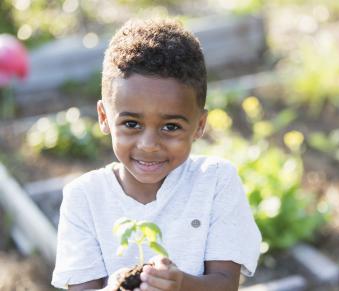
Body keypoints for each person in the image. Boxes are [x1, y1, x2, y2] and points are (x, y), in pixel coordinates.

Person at [51, 18, 262, 291]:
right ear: (104, 117)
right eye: (131, 124)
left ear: (199, 125)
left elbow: (226, 283)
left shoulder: (216, 181)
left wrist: (180, 283)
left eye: (170, 127)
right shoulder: (84, 198)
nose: (149, 144)